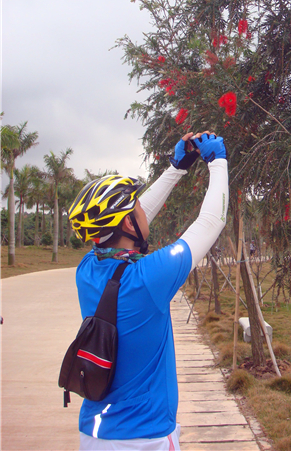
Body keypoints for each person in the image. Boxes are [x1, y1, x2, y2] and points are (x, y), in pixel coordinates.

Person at [68, 132, 228, 451]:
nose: (144, 210)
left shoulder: (86, 270)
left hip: (94, 434)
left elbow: (127, 228)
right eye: (138, 207)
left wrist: (175, 169)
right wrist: (218, 162)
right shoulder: (148, 277)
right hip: (145, 438)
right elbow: (212, 221)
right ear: (129, 224)